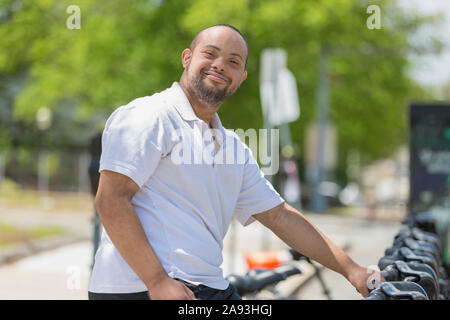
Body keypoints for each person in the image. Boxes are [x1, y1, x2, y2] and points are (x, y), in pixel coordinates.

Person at [88, 24, 383, 300]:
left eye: (233, 61)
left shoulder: (232, 146)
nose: (219, 65)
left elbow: (280, 216)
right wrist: (157, 281)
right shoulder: (150, 116)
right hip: (142, 288)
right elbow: (111, 200)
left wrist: (353, 271)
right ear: (187, 58)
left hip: (209, 287)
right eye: (210, 53)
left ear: (241, 77)